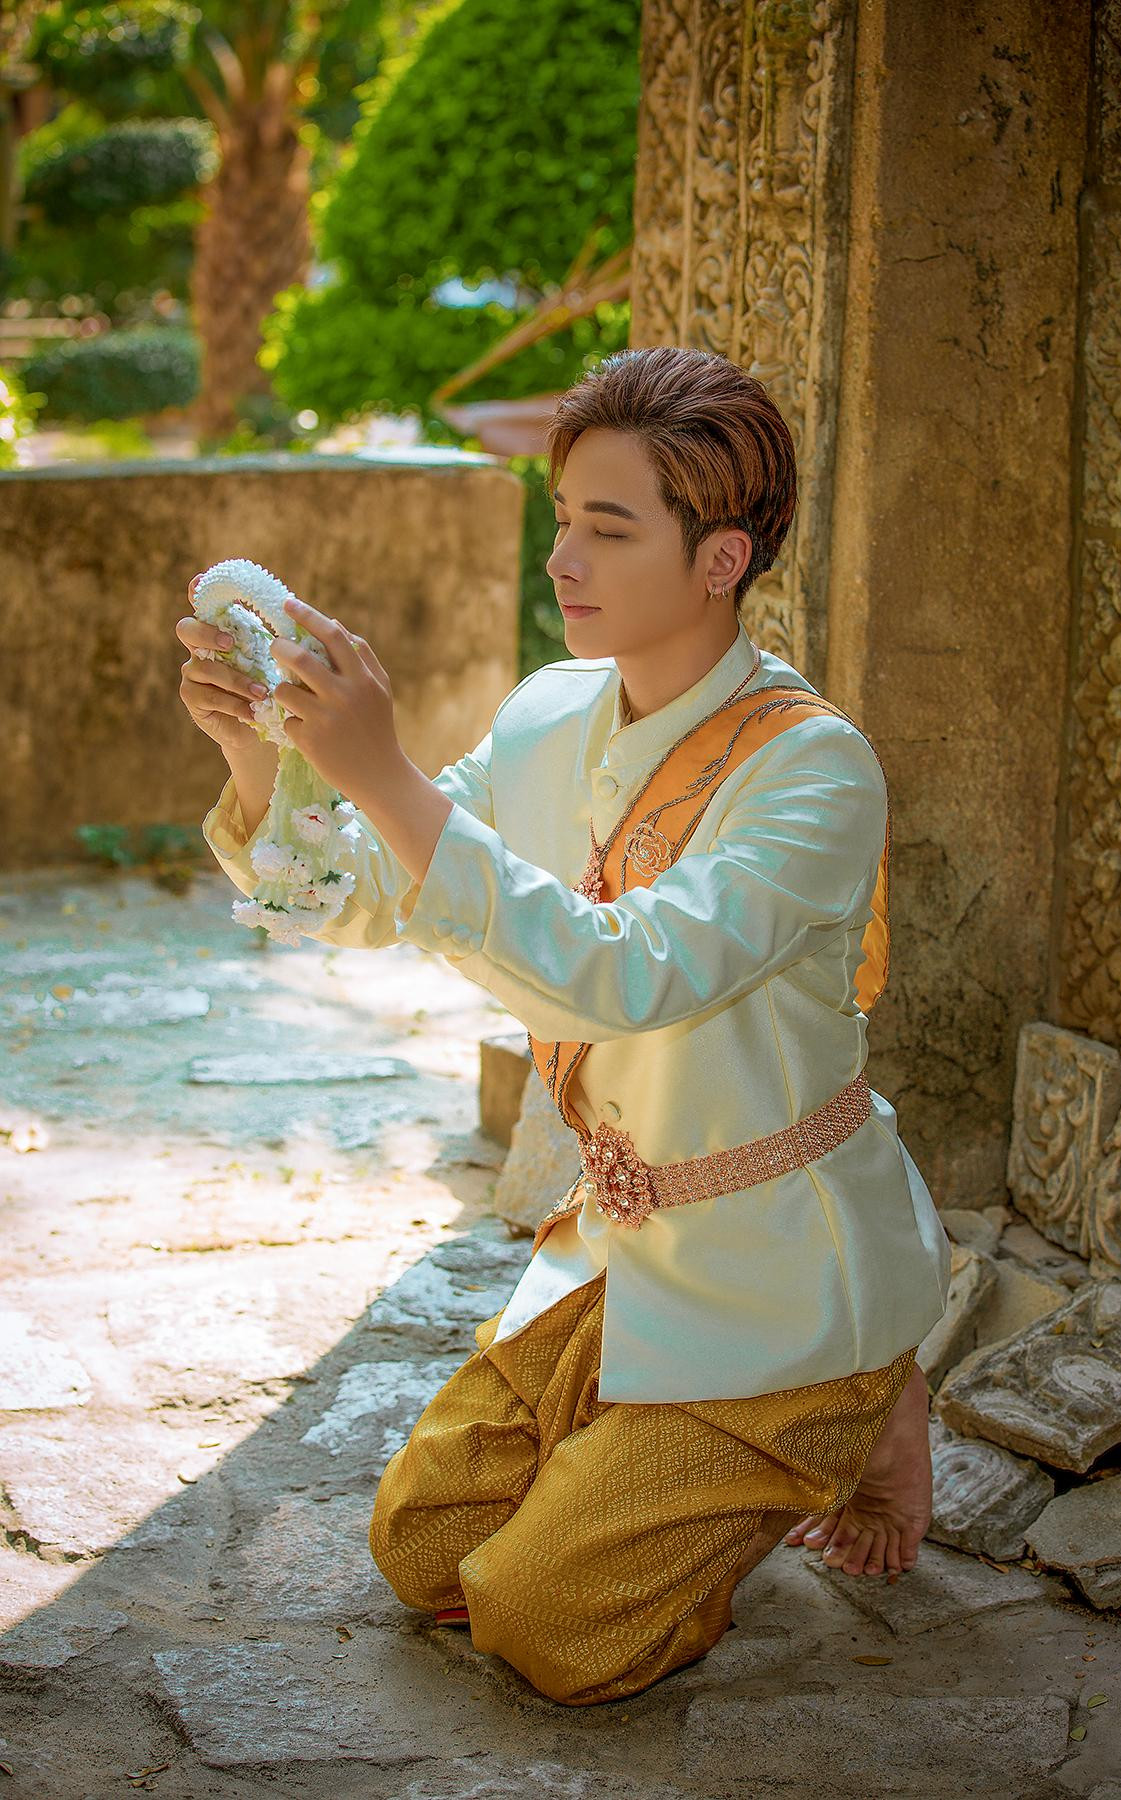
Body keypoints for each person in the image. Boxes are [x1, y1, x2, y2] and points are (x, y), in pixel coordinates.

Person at [178, 344, 952, 1707]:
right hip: (619, 1243)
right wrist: (263, 751)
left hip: (780, 1263)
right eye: (560, 520)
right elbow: (374, 892)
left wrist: (386, 771)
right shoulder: (551, 713)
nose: (563, 560)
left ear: (720, 559)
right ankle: (707, 1446)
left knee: (551, 1628)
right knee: (422, 1549)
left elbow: (620, 974)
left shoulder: (815, 770)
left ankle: (858, 1389)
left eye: (610, 527)